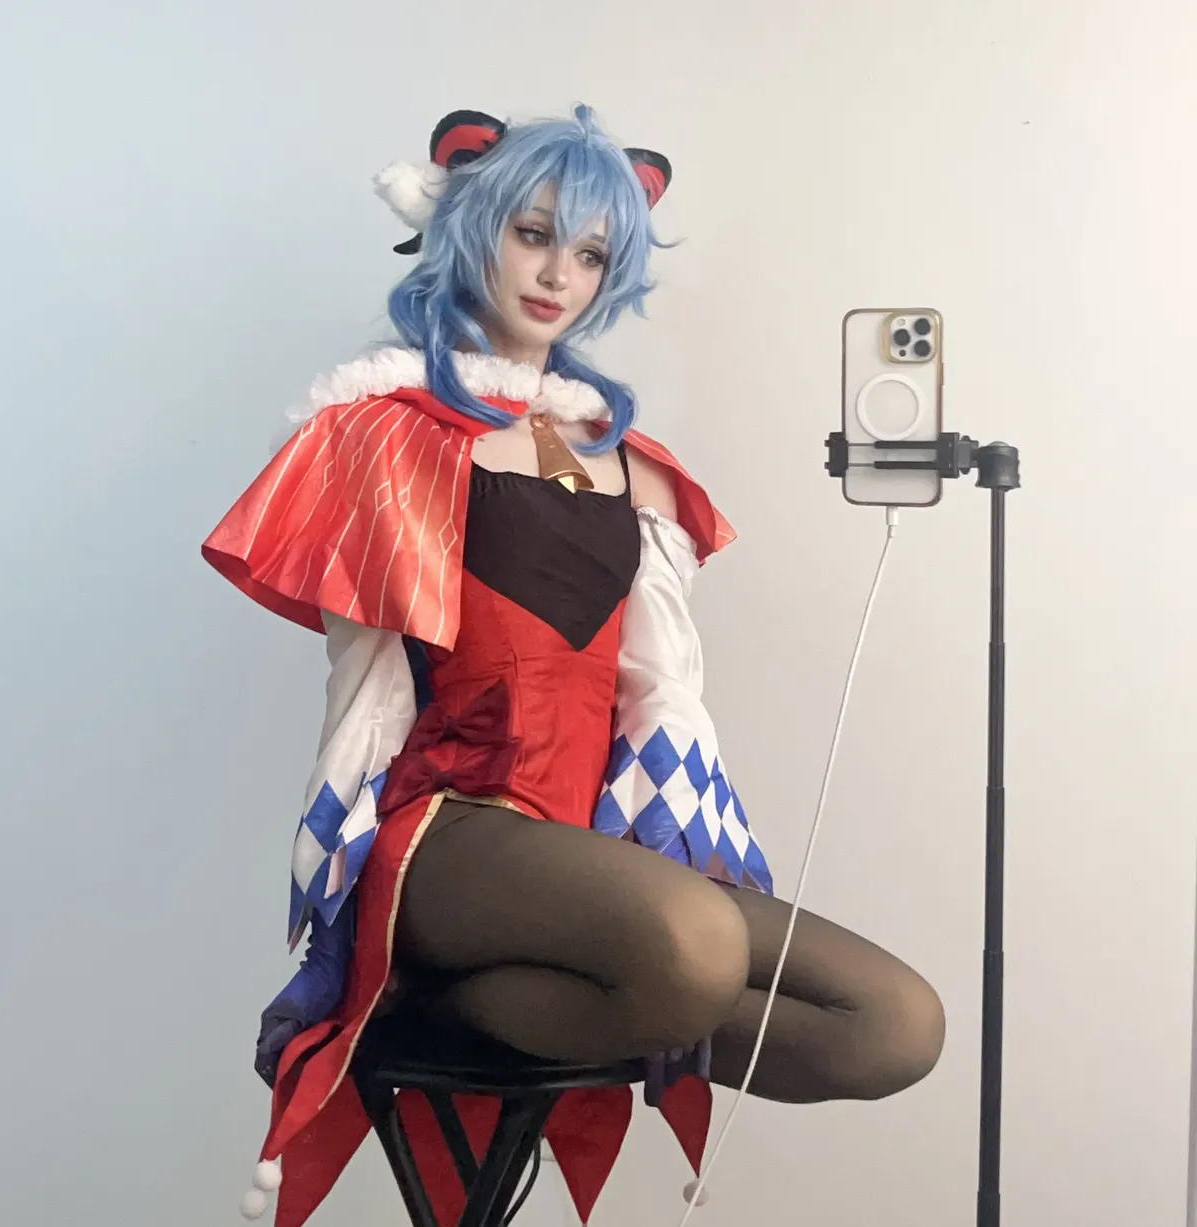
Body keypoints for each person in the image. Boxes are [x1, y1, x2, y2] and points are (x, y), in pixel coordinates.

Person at [203, 107, 944, 1226]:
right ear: (473, 229)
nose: (560, 275)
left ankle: (549, 993)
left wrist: (682, 844)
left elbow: (658, 699)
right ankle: (415, 987)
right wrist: (336, 903)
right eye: (535, 235)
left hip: (589, 853)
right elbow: (362, 694)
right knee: (692, 946)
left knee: (891, 1023)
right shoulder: (381, 432)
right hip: (445, 833)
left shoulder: (631, 466)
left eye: (592, 253)